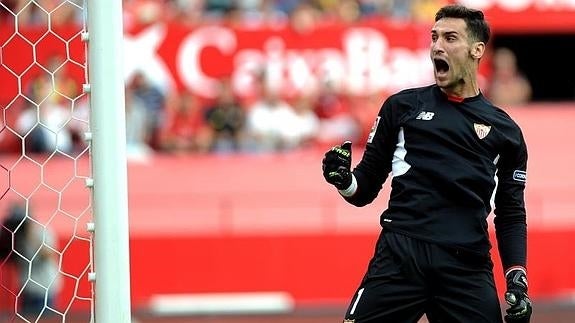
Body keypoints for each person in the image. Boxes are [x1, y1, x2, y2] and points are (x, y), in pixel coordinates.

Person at [322, 5, 531, 323]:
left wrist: (517, 276)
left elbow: (511, 213)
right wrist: (343, 180)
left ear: (477, 50)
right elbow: (364, 187)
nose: (437, 46)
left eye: (450, 38)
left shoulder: (506, 132)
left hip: (467, 265)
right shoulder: (401, 107)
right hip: (400, 256)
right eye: (434, 37)